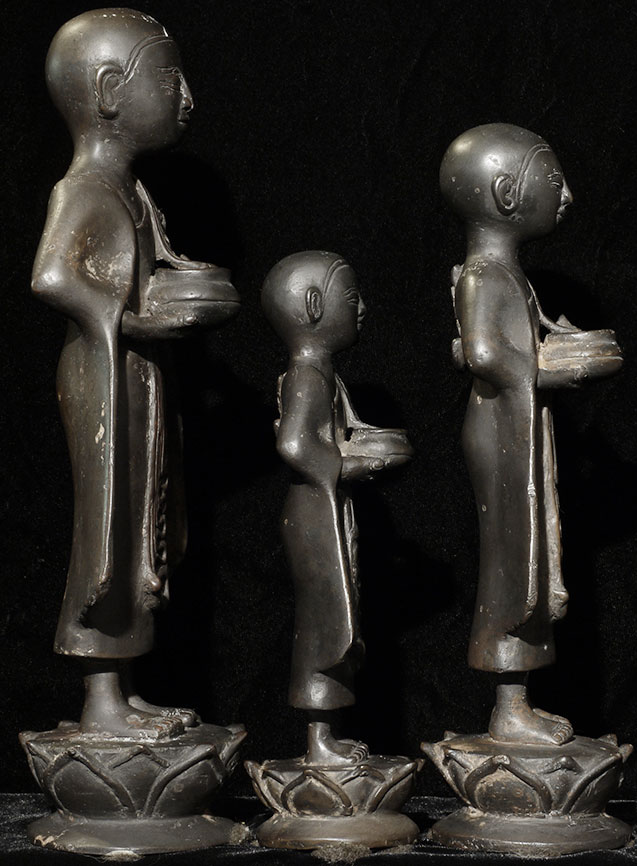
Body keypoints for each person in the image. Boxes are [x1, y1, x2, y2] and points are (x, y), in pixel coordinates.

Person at [32, 9, 230, 736]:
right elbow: (52, 276)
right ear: (111, 89)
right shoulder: (83, 188)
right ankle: (101, 699)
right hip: (103, 372)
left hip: (137, 373)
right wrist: (133, 317)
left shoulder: (133, 191)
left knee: (144, 521)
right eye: (171, 81)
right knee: (106, 527)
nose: (188, 98)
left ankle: (123, 690)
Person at [440, 124, 622, 745]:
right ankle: (508, 708)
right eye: (552, 179)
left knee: (530, 557)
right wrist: (551, 368)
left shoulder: (506, 274)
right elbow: (484, 353)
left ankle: (516, 704)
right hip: (500, 428)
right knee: (513, 561)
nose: (566, 194)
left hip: (515, 422)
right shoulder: (483, 275)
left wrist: (552, 350)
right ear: (507, 194)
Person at [261, 251, 411, 764]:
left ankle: (326, 734)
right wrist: (348, 464)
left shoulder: (321, 373)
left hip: (322, 508)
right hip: (313, 511)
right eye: (351, 297)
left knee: (339, 614)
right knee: (326, 621)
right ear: (313, 305)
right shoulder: (306, 375)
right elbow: (293, 444)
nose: (363, 307)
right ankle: (318, 739)